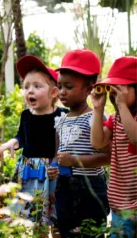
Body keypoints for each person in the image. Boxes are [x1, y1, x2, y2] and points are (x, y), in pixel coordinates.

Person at [0, 55, 67, 237]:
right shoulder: (25, 115)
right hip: (30, 172)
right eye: (26, 86)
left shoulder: (63, 115)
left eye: (37, 86)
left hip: (54, 172)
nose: (30, 91)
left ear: (53, 93)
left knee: (57, 218)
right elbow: (22, 136)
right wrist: (12, 142)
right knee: (36, 219)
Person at [48, 49, 111, 237]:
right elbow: (58, 153)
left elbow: (107, 157)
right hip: (64, 187)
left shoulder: (94, 118)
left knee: (91, 233)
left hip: (89, 189)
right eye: (59, 86)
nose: (62, 92)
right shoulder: (61, 119)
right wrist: (53, 167)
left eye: (68, 86)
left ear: (89, 89)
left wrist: (74, 161)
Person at [90, 56, 137, 238]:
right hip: (120, 205)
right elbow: (98, 142)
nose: (113, 94)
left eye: (120, 88)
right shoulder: (115, 118)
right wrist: (98, 109)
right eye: (112, 89)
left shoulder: (127, 115)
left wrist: (123, 105)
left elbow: (134, 139)